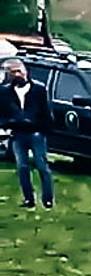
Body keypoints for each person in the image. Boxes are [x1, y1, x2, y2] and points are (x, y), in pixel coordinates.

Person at [2, 59, 53, 209]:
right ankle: (28, 199)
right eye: (14, 72)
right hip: (18, 134)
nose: (18, 74)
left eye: (20, 70)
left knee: (42, 166)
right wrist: (8, 125)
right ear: (9, 74)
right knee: (22, 167)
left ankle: (48, 199)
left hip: (36, 133)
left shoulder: (39, 89)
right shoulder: (4, 92)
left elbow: (46, 112)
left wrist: (43, 128)